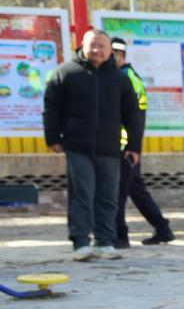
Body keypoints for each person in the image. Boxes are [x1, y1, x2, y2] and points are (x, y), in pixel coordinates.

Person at [43, 28, 143, 262]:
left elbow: (132, 115)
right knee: (82, 194)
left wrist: (134, 146)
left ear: (110, 51)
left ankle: (105, 242)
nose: (97, 50)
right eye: (93, 45)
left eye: (102, 46)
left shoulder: (120, 78)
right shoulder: (66, 73)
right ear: (82, 46)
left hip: (110, 147)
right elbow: (51, 109)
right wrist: (53, 139)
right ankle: (80, 243)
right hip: (77, 146)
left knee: (108, 195)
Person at [110, 36, 174, 248]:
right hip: (127, 145)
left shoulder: (127, 77)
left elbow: (134, 118)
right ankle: (163, 229)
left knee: (119, 190)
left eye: (111, 55)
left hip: (125, 146)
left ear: (120, 56)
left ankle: (120, 236)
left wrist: (130, 147)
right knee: (135, 189)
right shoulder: (121, 75)